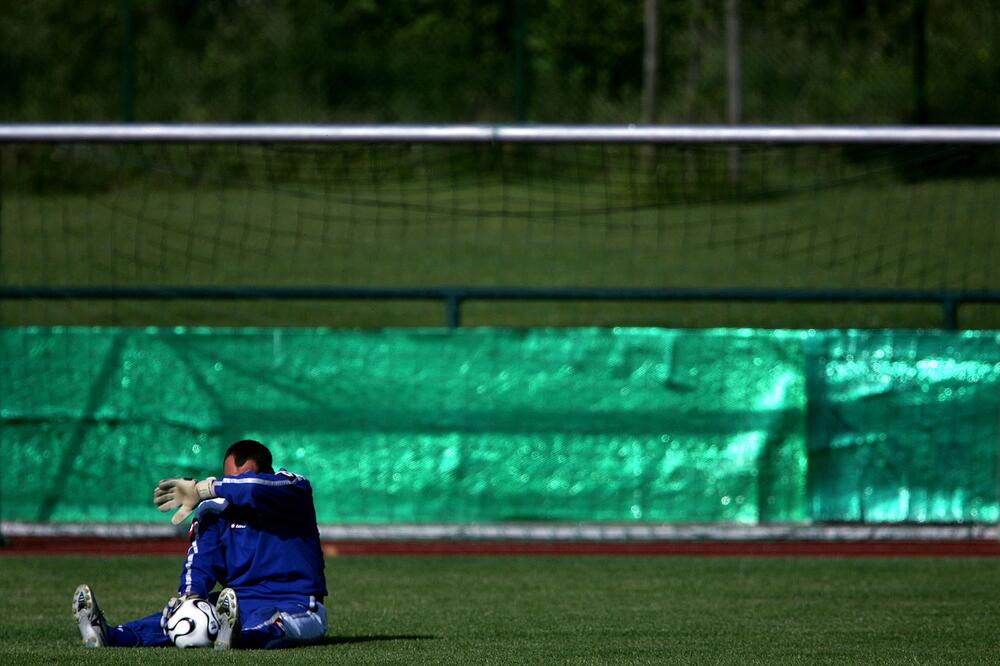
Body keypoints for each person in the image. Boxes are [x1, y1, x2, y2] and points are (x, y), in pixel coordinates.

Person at [73, 439, 328, 650]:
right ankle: (110, 634)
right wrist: (191, 598)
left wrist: (204, 488)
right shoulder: (215, 512)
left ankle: (240, 637)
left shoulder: (293, 491)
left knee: (274, 624)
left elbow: (251, 489)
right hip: (234, 604)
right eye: (230, 478)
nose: (233, 485)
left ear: (267, 474)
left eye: (243, 477)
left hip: (294, 602)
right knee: (174, 619)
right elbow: (201, 561)